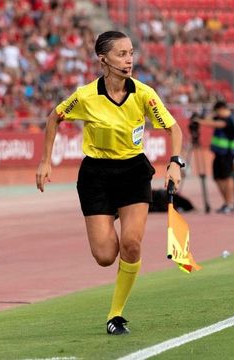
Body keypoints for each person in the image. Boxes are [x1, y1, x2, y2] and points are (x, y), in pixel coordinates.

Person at [35, 31, 183, 335]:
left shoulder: (144, 93)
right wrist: (45, 160)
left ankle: (115, 315)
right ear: (103, 59)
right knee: (104, 256)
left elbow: (174, 128)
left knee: (131, 243)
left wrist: (175, 162)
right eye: (121, 54)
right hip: (96, 176)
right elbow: (54, 118)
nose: (128, 60)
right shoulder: (86, 96)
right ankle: (110, 219)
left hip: (133, 173)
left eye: (131, 53)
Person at [194, 100, 234, 214]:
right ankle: (227, 202)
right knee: (217, 178)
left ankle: (229, 203)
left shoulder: (230, 119)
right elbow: (211, 120)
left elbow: (217, 124)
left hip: (229, 154)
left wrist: (200, 121)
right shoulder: (219, 117)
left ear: (221, 109)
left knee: (227, 178)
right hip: (219, 154)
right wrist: (209, 115)